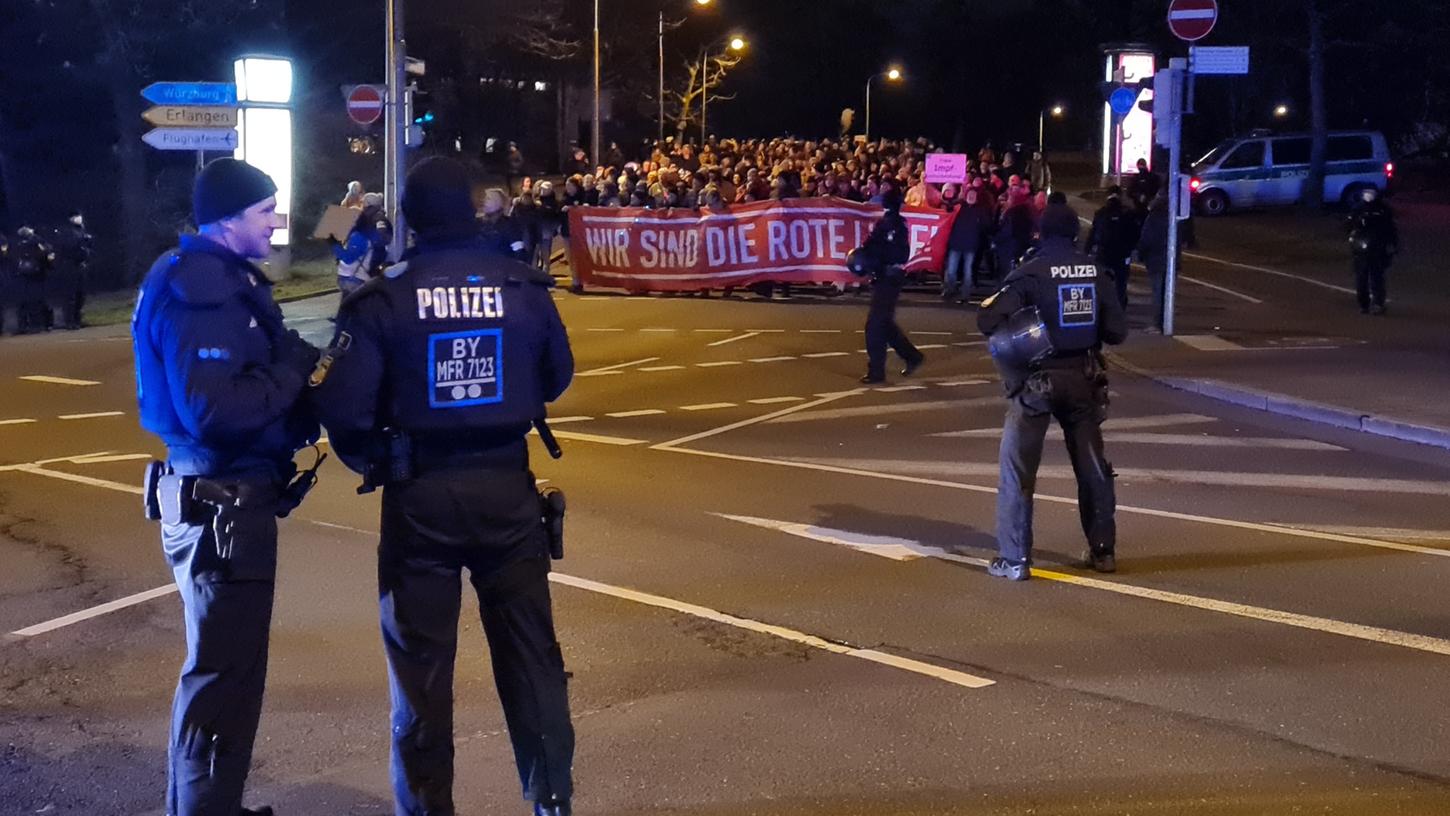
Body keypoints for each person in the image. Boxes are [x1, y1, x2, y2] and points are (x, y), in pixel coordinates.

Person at [311, 156, 576, 816]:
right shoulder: (521, 286)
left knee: (421, 674)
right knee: (531, 660)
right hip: (507, 491)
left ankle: (429, 809)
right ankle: (552, 800)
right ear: (472, 209)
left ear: (410, 217)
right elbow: (557, 374)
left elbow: (343, 410)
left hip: (420, 493)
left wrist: (381, 457)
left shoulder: (384, 295)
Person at [132, 158, 321, 816]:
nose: (275, 222)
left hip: (226, 500)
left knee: (229, 675)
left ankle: (210, 805)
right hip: (220, 505)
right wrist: (293, 374)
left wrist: (306, 387)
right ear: (228, 219)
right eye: (265, 211)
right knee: (222, 676)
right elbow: (215, 411)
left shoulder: (215, 281)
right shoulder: (201, 289)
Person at [977, 202, 1128, 581]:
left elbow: (987, 319)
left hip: (1036, 382)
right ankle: (1103, 551)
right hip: (1084, 380)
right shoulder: (1096, 272)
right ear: (1076, 234)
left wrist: (1029, 329)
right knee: (1093, 469)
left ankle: (1014, 559)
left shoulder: (1030, 272)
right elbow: (1117, 332)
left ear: (1040, 233)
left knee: (1018, 470)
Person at [858, 185, 924, 384]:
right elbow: (872, 246)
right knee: (884, 324)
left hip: (890, 278)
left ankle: (877, 371)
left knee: (875, 326)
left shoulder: (894, 226)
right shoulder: (887, 223)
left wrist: (874, 257)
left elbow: (898, 254)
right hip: (885, 277)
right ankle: (912, 356)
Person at [1345, 186, 1398, 315]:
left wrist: (1392, 245)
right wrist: (1351, 236)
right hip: (1361, 248)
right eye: (1366, 193)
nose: (1368, 196)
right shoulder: (1358, 209)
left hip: (1377, 248)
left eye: (1371, 193)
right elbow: (1348, 224)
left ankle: (1378, 303)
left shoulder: (1382, 210)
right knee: (1361, 277)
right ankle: (1364, 304)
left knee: (1377, 277)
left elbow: (1390, 229)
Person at [1085, 188, 1140, 309]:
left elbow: (1093, 234)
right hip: (1122, 254)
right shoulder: (1127, 213)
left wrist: (1087, 251)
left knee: (1102, 282)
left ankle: (1103, 307)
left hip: (1103, 253)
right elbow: (1135, 234)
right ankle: (1120, 308)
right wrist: (1132, 250)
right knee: (1121, 283)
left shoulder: (1101, 213)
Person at [331, 196, 390, 296]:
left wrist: (333, 244)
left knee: (351, 309)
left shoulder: (359, 237)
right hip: (354, 277)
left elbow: (348, 258)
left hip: (353, 278)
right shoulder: (360, 234)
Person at [50, 211, 94, 329]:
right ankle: (70, 321)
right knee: (70, 295)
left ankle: (77, 319)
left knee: (81, 295)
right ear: (71, 218)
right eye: (76, 217)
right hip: (69, 267)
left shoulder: (81, 230)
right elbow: (70, 248)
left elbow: (87, 247)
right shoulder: (67, 232)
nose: (79, 218)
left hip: (80, 266)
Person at [1136, 196, 1172, 332]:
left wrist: (1141, 254)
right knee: (1166, 292)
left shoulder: (1153, 219)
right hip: (1169, 260)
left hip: (1155, 260)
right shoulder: (1173, 218)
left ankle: (1158, 323)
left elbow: (1147, 238)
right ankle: (1165, 321)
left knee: (1157, 293)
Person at [12, 225, 55, 334]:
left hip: (37, 275)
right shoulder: (19, 242)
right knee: (23, 301)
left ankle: (40, 324)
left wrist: (46, 266)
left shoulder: (38, 241)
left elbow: (47, 253)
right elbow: (14, 257)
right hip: (24, 275)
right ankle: (23, 326)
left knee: (37, 300)